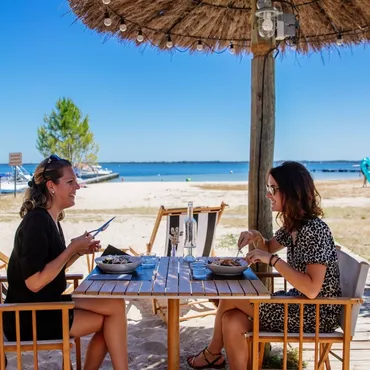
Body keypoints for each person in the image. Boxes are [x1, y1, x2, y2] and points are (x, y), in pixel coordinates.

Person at [187, 161, 341, 370]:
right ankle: (217, 357)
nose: (268, 194)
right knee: (232, 319)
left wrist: (274, 261)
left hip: (313, 314)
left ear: (291, 191)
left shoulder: (314, 230)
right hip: (296, 306)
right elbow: (268, 247)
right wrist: (255, 236)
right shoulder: (294, 225)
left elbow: (312, 289)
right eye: (268, 188)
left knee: (229, 297)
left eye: (273, 189)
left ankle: (212, 354)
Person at [3, 155, 129, 370]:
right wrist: (71, 248)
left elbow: (50, 268)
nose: (77, 186)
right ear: (51, 186)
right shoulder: (36, 222)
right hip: (29, 316)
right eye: (70, 182)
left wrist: (77, 252)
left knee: (115, 305)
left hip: (46, 304)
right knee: (112, 317)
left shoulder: (50, 218)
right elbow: (35, 282)